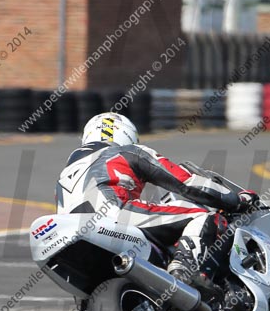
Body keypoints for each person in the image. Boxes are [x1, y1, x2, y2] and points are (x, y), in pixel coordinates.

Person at [56, 112, 258, 290]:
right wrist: (236, 199)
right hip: (115, 216)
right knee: (202, 217)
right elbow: (186, 182)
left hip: (72, 236)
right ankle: (184, 271)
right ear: (127, 135)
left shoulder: (66, 172)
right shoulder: (129, 152)